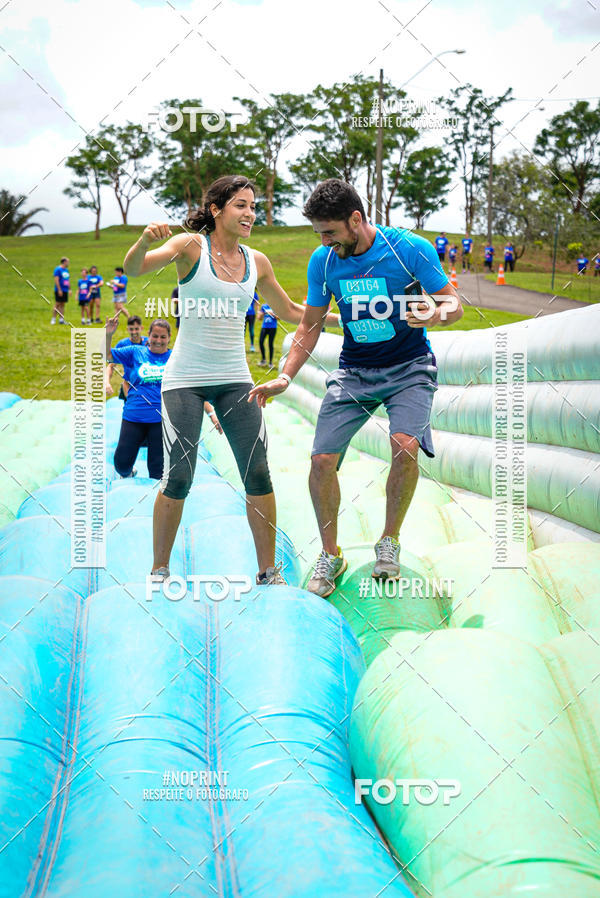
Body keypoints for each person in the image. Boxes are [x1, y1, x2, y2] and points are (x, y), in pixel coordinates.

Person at [249, 178, 463, 597]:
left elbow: (453, 305)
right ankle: (331, 554)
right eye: (319, 234)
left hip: (409, 367)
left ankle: (389, 541)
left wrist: (434, 314)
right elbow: (309, 325)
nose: (324, 242)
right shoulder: (324, 261)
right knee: (321, 461)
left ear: (355, 219)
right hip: (354, 371)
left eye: (329, 232)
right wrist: (285, 376)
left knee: (405, 445)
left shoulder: (409, 249)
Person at [122, 174, 338, 586]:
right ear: (216, 209)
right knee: (179, 476)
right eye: (241, 205)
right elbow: (135, 269)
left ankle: (267, 571)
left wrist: (341, 318)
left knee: (258, 472)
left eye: (253, 207)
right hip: (185, 380)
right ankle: (159, 569)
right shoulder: (190, 247)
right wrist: (144, 242)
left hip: (236, 379)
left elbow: (292, 311)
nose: (250, 214)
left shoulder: (258, 262)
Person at [105, 313, 172, 479]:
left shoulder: (174, 358)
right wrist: (108, 335)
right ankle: (130, 473)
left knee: (157, 470)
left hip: (160, 419)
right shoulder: (135, 352)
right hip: (134, 416)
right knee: (121, 464)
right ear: (148, 335)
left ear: (169, 338)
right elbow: (107, 356)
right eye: (155, 336)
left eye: (163, 337)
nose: (158, 340)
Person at [105, 314, 148, 398]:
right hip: (128, 385)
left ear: (141, 328)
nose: (134, 332)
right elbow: (110, 366)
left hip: (146, 385)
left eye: (136, 329)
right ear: (127, 329)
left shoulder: (148, 343)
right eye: (131, 329)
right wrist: (106, 382)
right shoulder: (123, 344)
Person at [257, 301, 278, 368]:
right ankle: (263, 360)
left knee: (270, 344)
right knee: (261, 342)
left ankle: (270, 363)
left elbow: (279, 317)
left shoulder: (275, 306)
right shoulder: (264, 306)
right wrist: (262, 314)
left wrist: (272, 314)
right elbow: (259, 318)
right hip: (264, 327)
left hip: (272, 327)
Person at [51, 257, 70, 324]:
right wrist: (59, 290)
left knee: (62, 304)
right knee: (57, 304)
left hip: (65, 290)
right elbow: (56, 280)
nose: (68, 263)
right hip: (59, 289)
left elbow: (67, 280)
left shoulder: (66, 270)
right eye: (68, 262)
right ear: (64, 262)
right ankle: (53, 319)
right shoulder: (58, 269)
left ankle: (61, 320)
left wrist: (69, 289)